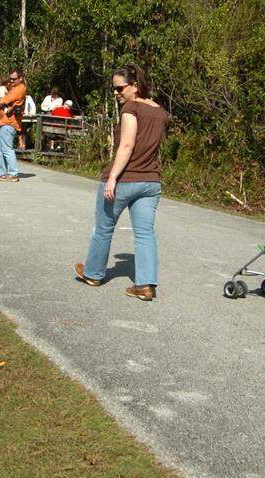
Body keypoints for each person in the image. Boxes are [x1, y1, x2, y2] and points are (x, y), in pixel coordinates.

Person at [75, 65, 170, 301]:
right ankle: (145, 285)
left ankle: (93, 273)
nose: (116, 93)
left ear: (135, 85)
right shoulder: (160, 111)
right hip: (151, 182)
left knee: (104, 227)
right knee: (145, 233)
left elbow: (127, 145)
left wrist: (112, 178)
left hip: (126, 179)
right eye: (114, 88)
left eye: (119, 88)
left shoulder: (131, 107)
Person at [0, 68, 26, 183]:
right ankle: (2, 172)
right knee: (0, 148)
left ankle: (13, 174)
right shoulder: (13, 87)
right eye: (10, 78)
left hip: (10, 122)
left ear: (20, 78)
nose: (11, 80)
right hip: (3, 121)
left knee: (7, 149)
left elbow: (4, 100)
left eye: (14, 79)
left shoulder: (19, 89)